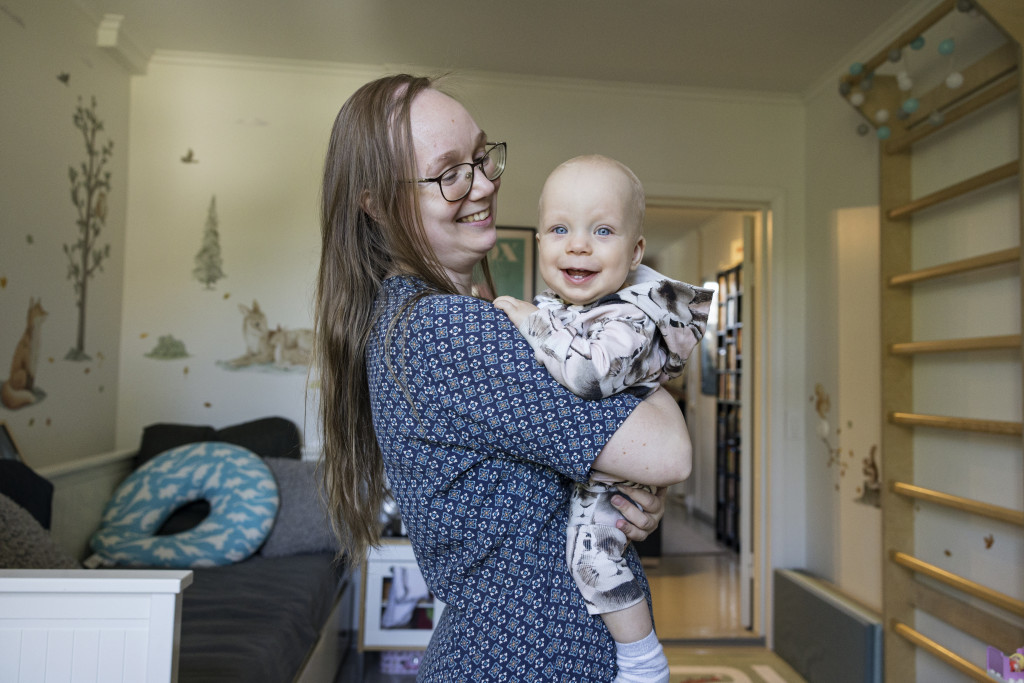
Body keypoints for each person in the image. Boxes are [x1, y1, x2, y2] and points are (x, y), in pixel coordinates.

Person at [314, 74, 692, 683]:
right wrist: (644, 420)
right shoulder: (444, 329)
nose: (485, 184)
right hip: (525, 662)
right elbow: (669, 449)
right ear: (377, 203)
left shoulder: (419, 320)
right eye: (448, 173)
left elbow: (605, 466)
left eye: (482, 157)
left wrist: (622, 487)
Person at [494, 155, 712, 683]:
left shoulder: (632, 315)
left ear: (635, 251)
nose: (578, 244)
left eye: (603, 230)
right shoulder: (570, 306)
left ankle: (642, 661)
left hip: (614, 473)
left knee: (596, 563)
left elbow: (588, 374)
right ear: (541, 238)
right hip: (593, 462)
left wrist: (527, 322)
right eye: (560, 228)